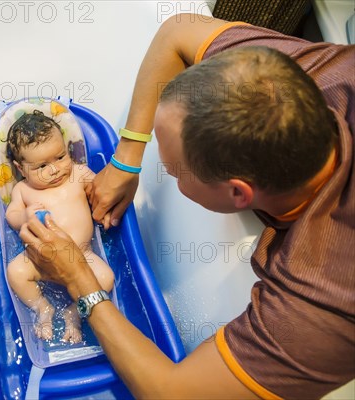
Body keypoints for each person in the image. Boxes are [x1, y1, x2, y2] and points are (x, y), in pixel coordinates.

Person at [19, 13, 354, 399]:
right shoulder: (311, 74)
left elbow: (172, 394)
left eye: (175, 172)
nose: (164, 173)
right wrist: (128, 156)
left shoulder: (323, 299)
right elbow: (177, 32)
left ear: (237, 194)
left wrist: (79, 279)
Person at [4, 110, 114, 344]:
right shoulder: (23, 190)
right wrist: (23, 215)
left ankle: (74, 311)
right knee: (15, 272)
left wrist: (104, 204)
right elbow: (11, 216)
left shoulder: (78, 174)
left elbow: (101, 191)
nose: (55, 170)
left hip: (82, 256)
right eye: (41, 166)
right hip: (38, 257)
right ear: (21, 169)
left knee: (106, 278)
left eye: (61, 157)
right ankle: (43, 308)